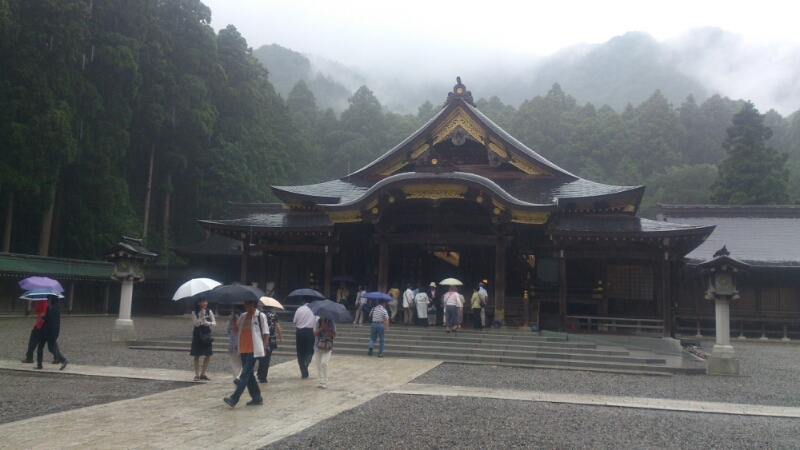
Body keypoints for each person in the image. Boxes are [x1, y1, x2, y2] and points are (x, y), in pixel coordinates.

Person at [224, 300, 268, 408]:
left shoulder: (260, 316)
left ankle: (234, 398)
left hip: (254, 349)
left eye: (246, 304)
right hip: (243, 348)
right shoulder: (243, 316)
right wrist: (234, 322)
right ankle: (257, 397)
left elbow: (266, 333)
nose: (244, 306)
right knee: (249, 374)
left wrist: (264, 347)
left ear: (252, 304)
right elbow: (236, 330)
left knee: (244, 374)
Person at [36, 295, 67, 370]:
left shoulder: (49, 308)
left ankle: (39, 365)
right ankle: (62, 360)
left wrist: (43, 316)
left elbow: (47, 319)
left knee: (40, 347)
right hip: (53, 331)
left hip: (46, 330)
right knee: (51, 348)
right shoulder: (57, 308)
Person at [190, 299, 216, 381]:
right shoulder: (194, 312)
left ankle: (203, 373)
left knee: (208, 354)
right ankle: (197, 374)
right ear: (199, 303)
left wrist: (210, 323)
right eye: (203, 302)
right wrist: (201, 317)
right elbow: (196, 324)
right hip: (198, 333)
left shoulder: (209, 311)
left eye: (206, 301)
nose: (205, 303)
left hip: (207, 332)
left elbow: (214, 322)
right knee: (196, 354)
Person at [257, 305, 283, 383]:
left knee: (260, 356)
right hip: (270, 337)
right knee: (267, 358)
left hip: (260, 337)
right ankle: (263, 376)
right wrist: (280, 337)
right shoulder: (273, 315)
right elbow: (277, 327)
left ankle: (259, 372)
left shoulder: (259, 314)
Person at [293, 299, 317, 378]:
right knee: (310, 349)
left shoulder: (299, 309)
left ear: (303, 301)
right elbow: (317, 321)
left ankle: (302, 367)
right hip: (310, 331)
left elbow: (295, 321)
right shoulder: (315, 309)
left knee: (300, 350)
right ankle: (306, 362)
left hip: (300, 331)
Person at [313, 317, 337, 388]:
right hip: (318, 345)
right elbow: (315, 333)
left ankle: (325, 381)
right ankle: (320, 380)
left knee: (324, 362)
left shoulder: (331, 322)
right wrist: (321, 328)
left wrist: (327, 329)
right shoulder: (318, 322)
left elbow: (334, 335)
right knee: (318, 364)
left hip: (327, 346)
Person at [225, 305, 243, 384]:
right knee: (243, 362)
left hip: (233, 341)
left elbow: (228, 329)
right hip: (243, 341)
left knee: (234, 363)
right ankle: (239, 377)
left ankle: (236, 377)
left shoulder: (232, 318)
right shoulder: (246, 317)